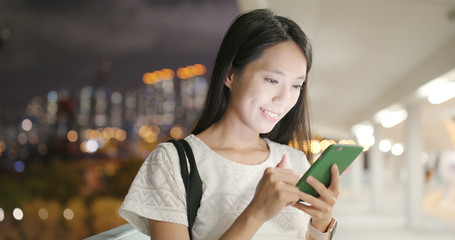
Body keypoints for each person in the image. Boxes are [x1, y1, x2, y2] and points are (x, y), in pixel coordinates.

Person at [119, 9, 340, 240]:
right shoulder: (173, 163)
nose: (284, 99)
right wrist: (256, 214)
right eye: (272, 80)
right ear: (230, 75)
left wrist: (321, 222)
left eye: (296, 85)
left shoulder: (295, 160)